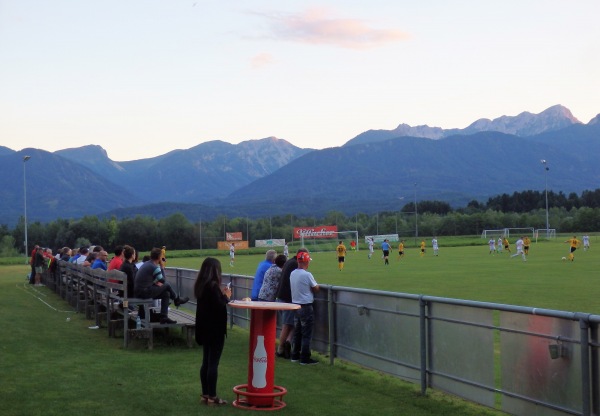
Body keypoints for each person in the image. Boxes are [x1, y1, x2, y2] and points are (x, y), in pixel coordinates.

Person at [194, 257, 231, 406]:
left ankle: (205, 394)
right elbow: (219, 305)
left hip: (203, 328)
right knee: (213, 363)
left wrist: (221, 295)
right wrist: (226, 296)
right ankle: (213, 396)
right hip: (215, 329)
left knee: (206, 362)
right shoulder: (213, 286)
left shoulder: (201, 285)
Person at [134, 247, 189, 324]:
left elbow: (152, 280)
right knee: (166, 285)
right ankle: (177, 299)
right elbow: (164, 281)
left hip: (139, 292)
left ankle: (164, 317)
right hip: (144, 292)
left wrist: (155, 282)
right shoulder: (154, 267)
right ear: (159, 257)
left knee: (166, 294)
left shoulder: (147, 264)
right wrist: (162, 267)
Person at [275, 248, 308, 359]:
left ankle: (288, 343)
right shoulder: (295, 265)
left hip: (280, 297)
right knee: (287, 324)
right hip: (287, 299)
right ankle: (280, 349)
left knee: (293, 323)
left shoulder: (289, 262)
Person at [290, 251, 320, 365]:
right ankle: (305, 358)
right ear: (306, 262)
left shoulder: (292, 273)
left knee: (297, 332)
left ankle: (295, 355)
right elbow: (316, 288)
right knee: (306, 333)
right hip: (306, 306)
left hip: (295, 305)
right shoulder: (307, 274)